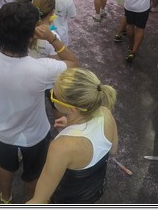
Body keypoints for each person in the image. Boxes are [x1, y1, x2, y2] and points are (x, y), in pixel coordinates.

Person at [0, 1, 78, 204]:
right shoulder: (42, 69)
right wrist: (52, 39)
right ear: (32, 36)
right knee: (33, 174)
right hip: (35, 135)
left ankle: (5, 197)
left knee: (5, 165)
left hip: (3, 129)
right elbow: (74, 64)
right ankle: (32, 202)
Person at [27, 68, 118, 204]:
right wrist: (72, 125)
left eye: (53, 96)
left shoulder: (61, 147)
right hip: (95, 190)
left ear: (72, 109)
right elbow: (113, 150)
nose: (51, 94)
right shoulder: (106, 113)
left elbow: (39, 200)